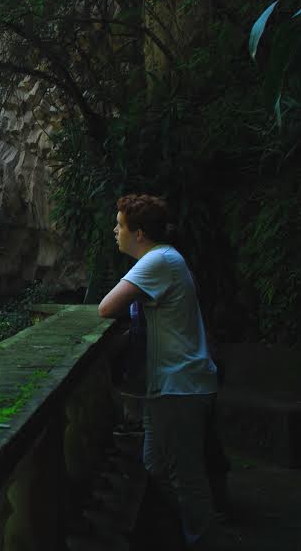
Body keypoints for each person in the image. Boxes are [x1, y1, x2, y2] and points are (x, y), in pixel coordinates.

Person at [98, 194, 219, 549]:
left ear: (138, 234)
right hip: (167, 386)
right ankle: (190, 534)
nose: (115, 231)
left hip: (180, 387)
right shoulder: (164, 259)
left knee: (186, 479)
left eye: (120, 225)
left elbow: (106, 307)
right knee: (155, 465)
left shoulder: (157, 261)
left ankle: (204, 540)